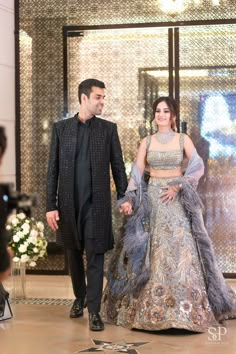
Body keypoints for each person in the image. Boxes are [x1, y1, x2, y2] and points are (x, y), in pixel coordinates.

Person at [101, 96, 236, 332]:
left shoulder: (183, 139)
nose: (161, 115)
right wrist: (129, 198)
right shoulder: (147, 142)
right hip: (152, 200)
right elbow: (136, 174)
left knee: (183, 248)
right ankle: (147, 311)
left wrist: (179, 185)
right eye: (158, 111)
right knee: (150, 251)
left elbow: (197, 165)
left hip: (175, 199)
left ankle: (187, 310)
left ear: (173, 115)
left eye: (165, 111)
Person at [46, 78, 127, 331]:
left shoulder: (108, 130)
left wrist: (124, 197)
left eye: (103, 97)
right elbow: (53, 172)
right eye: (98, 97)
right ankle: (79, 298)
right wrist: (51, 205)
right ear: (84, 98)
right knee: (72, 254)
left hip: (97, 205)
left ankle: (94, 310)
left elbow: (118, 167)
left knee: (95, 256)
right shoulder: (61, 130)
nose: (102, 101)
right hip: (69, 206)